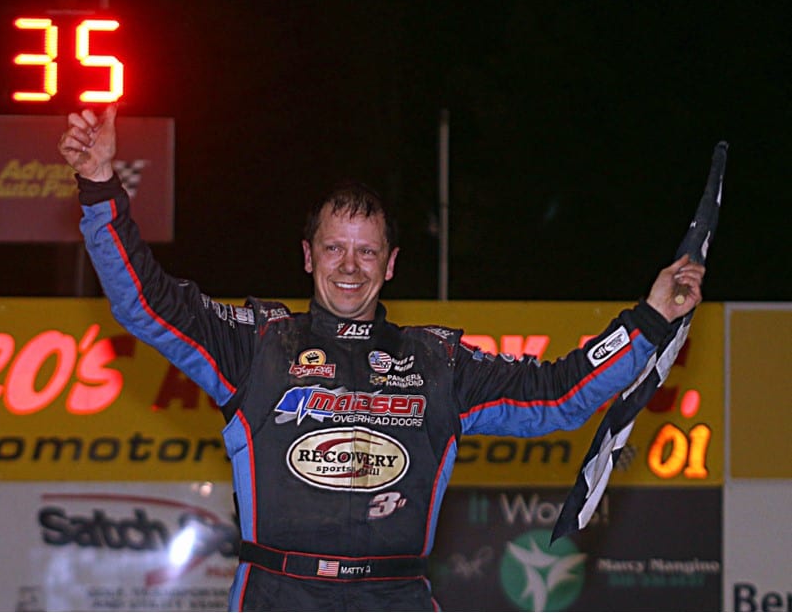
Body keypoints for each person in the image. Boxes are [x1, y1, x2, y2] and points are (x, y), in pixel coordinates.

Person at [58, 105, 705, 611]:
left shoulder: (438, 362)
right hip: (279, 597)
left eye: (366, 252)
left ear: (391, 264)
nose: (349, 267)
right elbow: (144, 301)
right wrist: (97, 190)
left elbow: (558, 395)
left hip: (395, 597)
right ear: (307, 255)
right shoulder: (252, 344)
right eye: (334, 248)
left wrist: (647, 319)